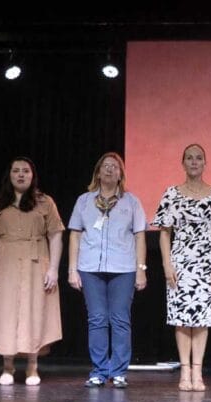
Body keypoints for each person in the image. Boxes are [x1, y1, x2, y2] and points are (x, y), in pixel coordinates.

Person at [152, 143, 211, 391]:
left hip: (207, 262)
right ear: (183, 162)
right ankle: (185, 372)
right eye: (189, 158)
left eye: (199, 158)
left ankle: (198, 372)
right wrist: (167, 264)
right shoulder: (171, 193)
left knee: (202, 318)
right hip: (180, 261)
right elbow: (164, 233)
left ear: (205, 163)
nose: (194, 162)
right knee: (182, 318)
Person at [0, 157, 64, 386]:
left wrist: (54, 269)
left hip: (37, 262)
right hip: (5, 261)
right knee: (6, 311)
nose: (20, 175)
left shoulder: (45, 202)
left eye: (25, 171)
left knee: (33, 311)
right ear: (9, 175)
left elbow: (56, 236)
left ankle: (32, 367)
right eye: (16, 171)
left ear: (32, 175)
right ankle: (7, 366)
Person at [67, 152, 147, 389]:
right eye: (105, 166)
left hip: (123, 269)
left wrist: (141, 269)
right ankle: (99, 371)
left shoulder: (131, 202)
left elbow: (140, 236)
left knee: (120, 319)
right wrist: (72, 269)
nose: (110, 170)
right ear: (98, 172)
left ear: (121, 173)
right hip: (90, 268)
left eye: (115, 167)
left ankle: (119, 371)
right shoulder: (84, 201)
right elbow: (75, 235)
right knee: (97, 319)